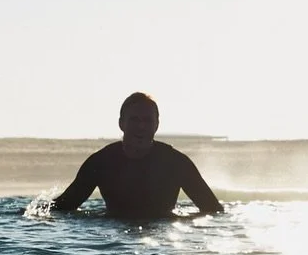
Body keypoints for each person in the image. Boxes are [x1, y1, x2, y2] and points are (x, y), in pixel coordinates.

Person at [50, 92, 224, 219]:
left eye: (147, 121)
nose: (141, 127)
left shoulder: (176, 163)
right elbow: (63, 208)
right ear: (121, 123)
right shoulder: (101, 162)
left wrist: (184, 224)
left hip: (162, 239)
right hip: (113, 240)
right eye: (134, 120)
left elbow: (213, 210)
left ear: (156, 125)